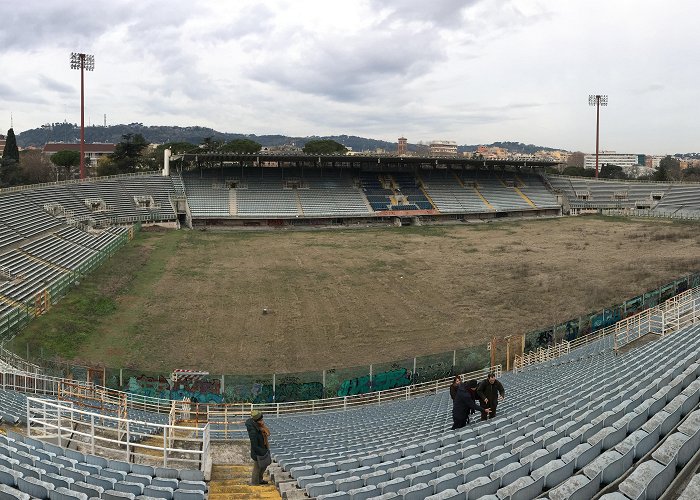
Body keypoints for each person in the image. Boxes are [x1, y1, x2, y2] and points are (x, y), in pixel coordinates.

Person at [245, 410, 271, 485]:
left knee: (263, 466)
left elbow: (268, 433)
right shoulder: (253, 431)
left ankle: (260, 480)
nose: (263, 421)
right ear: (257, 421)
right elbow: (254, 445)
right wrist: (262, 452)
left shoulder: (260, 427)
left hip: (263, 449)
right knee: (257, 468)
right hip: (258, 452)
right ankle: (254, 483)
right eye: (261, 420)